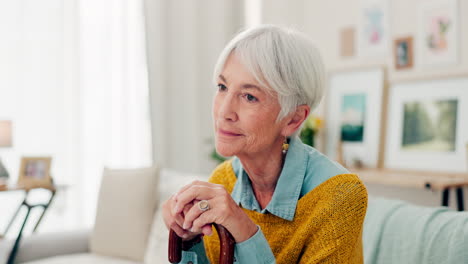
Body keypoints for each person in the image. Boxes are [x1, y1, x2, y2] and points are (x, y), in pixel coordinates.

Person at [162, 25, 368, 264]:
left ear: (293, 119)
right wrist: (188, 239)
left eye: (249, 96)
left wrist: (243, 229)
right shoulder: (223, 180)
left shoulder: (341, 196)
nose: (224, 112)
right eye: (222, 87)